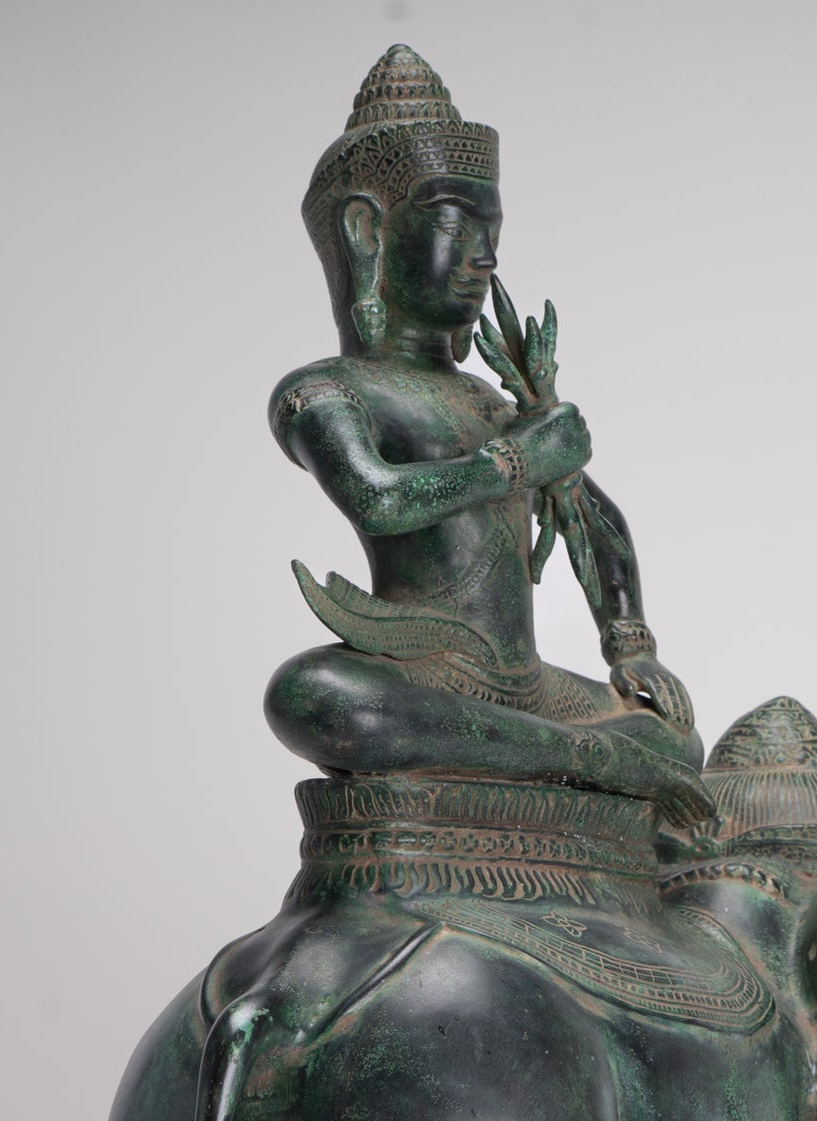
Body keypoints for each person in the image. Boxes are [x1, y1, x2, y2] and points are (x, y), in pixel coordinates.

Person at [265, 44, 709, 825]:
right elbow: (376, 498)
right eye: (455, 224)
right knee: (313, 696)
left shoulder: (492, 404)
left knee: (675, 739)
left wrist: (630, 646)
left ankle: (567, 752)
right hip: (420, 675)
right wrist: (513, 462)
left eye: (492, 230)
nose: (486, 257)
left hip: (526, 687)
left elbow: (593, 517)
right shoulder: (326, 393)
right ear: (367, 231)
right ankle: (586, 761)